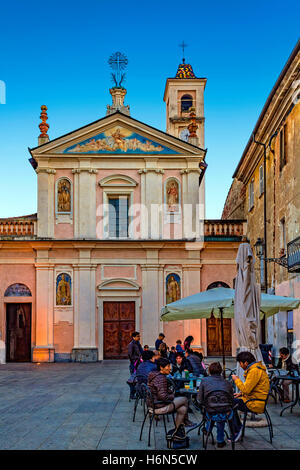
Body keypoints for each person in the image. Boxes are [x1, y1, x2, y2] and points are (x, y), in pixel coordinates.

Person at [147, 358, 197, 437]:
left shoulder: (154, 375)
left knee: (183, 409)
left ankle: (177, 431)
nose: (170, 368)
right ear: (161, 367)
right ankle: (186, 421)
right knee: (184, 399)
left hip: (153, 404)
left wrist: (169, 392)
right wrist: (173, 396)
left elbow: (159, 390)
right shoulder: (161, 378)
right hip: (158, 406)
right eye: (167, 366)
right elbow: (163, 397)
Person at [230, 351, 270, 442]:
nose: (240, 366)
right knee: (232, 401)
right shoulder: (256, 369)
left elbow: (246, 389)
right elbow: (253, 388)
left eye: (240, 363)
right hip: (254, 399)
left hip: (255, 403)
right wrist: (240, 394)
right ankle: (237, 428)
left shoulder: (254, 371)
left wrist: (237, 380)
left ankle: (237, 430)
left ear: (246, 363)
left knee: (229, 404)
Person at [197, 362, 234, 448]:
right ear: (221, 371)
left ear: (209, 371)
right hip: (224, 411)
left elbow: (199, 400)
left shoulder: (204, 381)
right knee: (221, 411)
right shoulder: (227, 382)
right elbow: (231, 400)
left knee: (212, 409)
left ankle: (207, 429)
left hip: (210, 411)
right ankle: (220, 440)